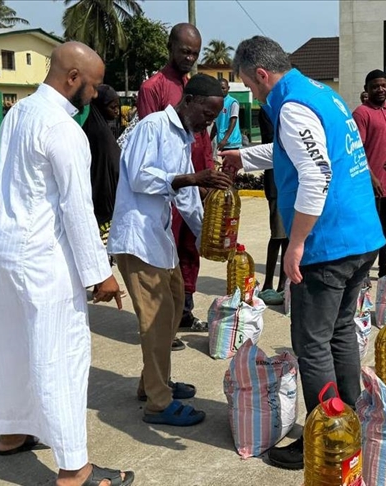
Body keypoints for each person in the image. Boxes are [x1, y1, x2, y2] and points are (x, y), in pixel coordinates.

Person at [221, 35, 384, 470]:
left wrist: (295, 244)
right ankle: (349, 417)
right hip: (361, 237)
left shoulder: (291, 107)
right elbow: (295, 153)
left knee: (311, 343)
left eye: (252, 87)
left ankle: (326, 435)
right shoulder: (320, 94)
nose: (255, 96)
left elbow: (315, 173)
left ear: (261, 73)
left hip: (329, 244)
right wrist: (243, 157)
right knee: (340, 331)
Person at [0, 41, 133, 486]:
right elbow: (76, 209)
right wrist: (99, 273)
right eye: (93, 84)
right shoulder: (65, 130)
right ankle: (75, 470)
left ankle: (10, 433)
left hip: (2, 245)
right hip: (41, 254)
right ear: (72, 79)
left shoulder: (19, 113)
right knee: (61, 355)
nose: (95, 92)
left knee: (7, 342)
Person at [108, 74, 231, 427]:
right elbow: (139, 178)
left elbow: (189, 199)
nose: (210, 122)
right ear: (188, 100)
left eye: (214, 117)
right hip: (138, 237)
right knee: (156, 320)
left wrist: (210, 236)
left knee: (175, 304)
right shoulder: (153, 126)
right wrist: (194, 178)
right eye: (207, 114)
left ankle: (153, 383)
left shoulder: (184, 136)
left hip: (159, 238)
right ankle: (158, 404)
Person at [136, 23, 210, 345]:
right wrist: (175, 183)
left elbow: (204, 135)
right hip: (168, 187)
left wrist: (207, 176)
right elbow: (149, 140)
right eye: (184, 51)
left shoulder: (195, 84)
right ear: (170, 47)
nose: (190, 57)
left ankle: (185, 313)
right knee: (166, 256)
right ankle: (164, 323)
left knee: (191, 249)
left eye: (195, 52)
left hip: (196, 182)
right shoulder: (153, 88)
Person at [353, 69, 386, 277]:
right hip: (370, 185)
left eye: (384, 85)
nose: (380, 89)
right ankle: (361, 274)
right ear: (366, 89)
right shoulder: (361, 113)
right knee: (368, 231)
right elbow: (356, 151)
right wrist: (371, 177)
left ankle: (385, 274)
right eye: (375, 86)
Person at [255, 107, 287, 304]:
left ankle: (283, 284)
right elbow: (271, 144)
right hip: (277, 180)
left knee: (289, 238)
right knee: (277, 235)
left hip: (294, 181)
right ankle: (268, 284)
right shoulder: (268, 110)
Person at [83, 84, 121, 248]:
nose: (117, 111)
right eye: (112, 107)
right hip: (102, 204)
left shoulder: (98, 128)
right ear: (100, 107)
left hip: (97, 202)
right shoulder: (101, 134)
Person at [210, 78, 242, 151]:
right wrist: (209, 140)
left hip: (232, 143)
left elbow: (233, 121)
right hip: (221, 142)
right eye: (219, 88)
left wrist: (225, 139)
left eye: (223, 88)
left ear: (228, 88)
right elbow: (216, 124)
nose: (221, 90)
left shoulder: (233, 102)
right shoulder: (217, 104)